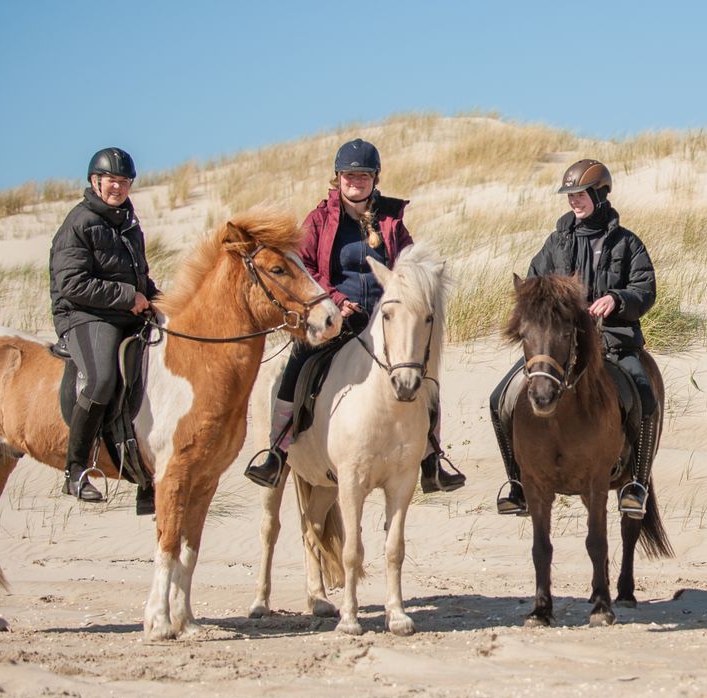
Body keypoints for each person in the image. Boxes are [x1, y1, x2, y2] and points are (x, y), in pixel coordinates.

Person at [242, 138, 465, 493]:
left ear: (375, 179)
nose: (355, 182)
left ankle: (432, 458)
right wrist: (334, 299)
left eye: (363, 176)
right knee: (297, 365)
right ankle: (277, 450)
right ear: (338, 178)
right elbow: (305, 267)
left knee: (425, 376)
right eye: (349, 175)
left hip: (384, 321)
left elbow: (408, 265)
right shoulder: (318, 220)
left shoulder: (391, 220)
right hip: (335, 318)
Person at [490, 159, 658, 518]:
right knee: (498, 400)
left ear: (600, 194)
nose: (573, 201)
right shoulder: (556, 242)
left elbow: (645, 289)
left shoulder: (627, 243)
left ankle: (636, 485)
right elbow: (533, 285)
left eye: (580, 194)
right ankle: (516, 484)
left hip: (613, 342)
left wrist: (618, 299)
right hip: (559, 348)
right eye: (570, 195)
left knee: (645, 398)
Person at [49, 147, 159, 502]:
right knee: (102, 380)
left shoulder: (127, 221)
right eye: (112, 180)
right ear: (95, 181)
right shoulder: (79, 223)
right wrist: (128, 297)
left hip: (123, 312)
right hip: (83, 314)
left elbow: (138, 275)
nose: (118, 187)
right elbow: (73, 284)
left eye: (124, 181)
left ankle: (143, 472)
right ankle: (75, 469)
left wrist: (157, 297)